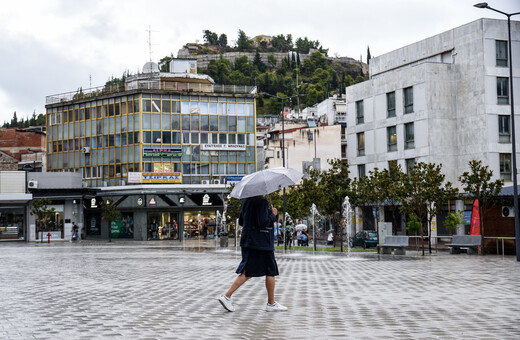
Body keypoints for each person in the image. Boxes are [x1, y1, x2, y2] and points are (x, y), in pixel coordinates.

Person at [218, 195, 287, 312]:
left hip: (248, 241)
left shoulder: (246, 200)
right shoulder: (261, 201)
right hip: (261, 243)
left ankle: (270, 303)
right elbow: (263, 222)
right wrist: (273, 215)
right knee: (270, 270)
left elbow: (241, 221)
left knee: (249, 272)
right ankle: (227, 296)